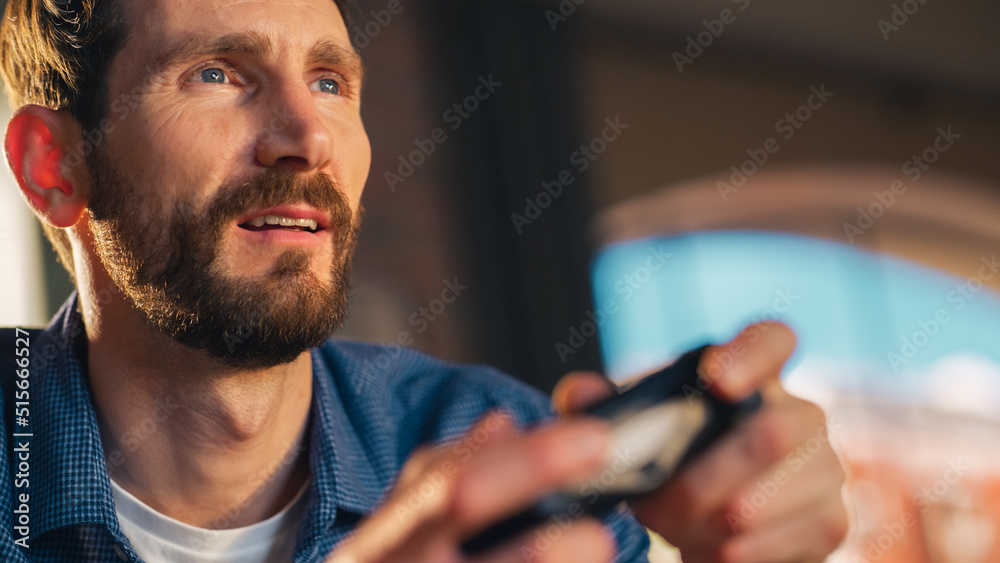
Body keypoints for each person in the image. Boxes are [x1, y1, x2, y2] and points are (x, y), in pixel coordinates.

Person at [0, 0, 848, 561]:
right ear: (53, 164)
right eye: (219, 74)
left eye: (331, 83)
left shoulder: (489, 437)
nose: (308, 136)